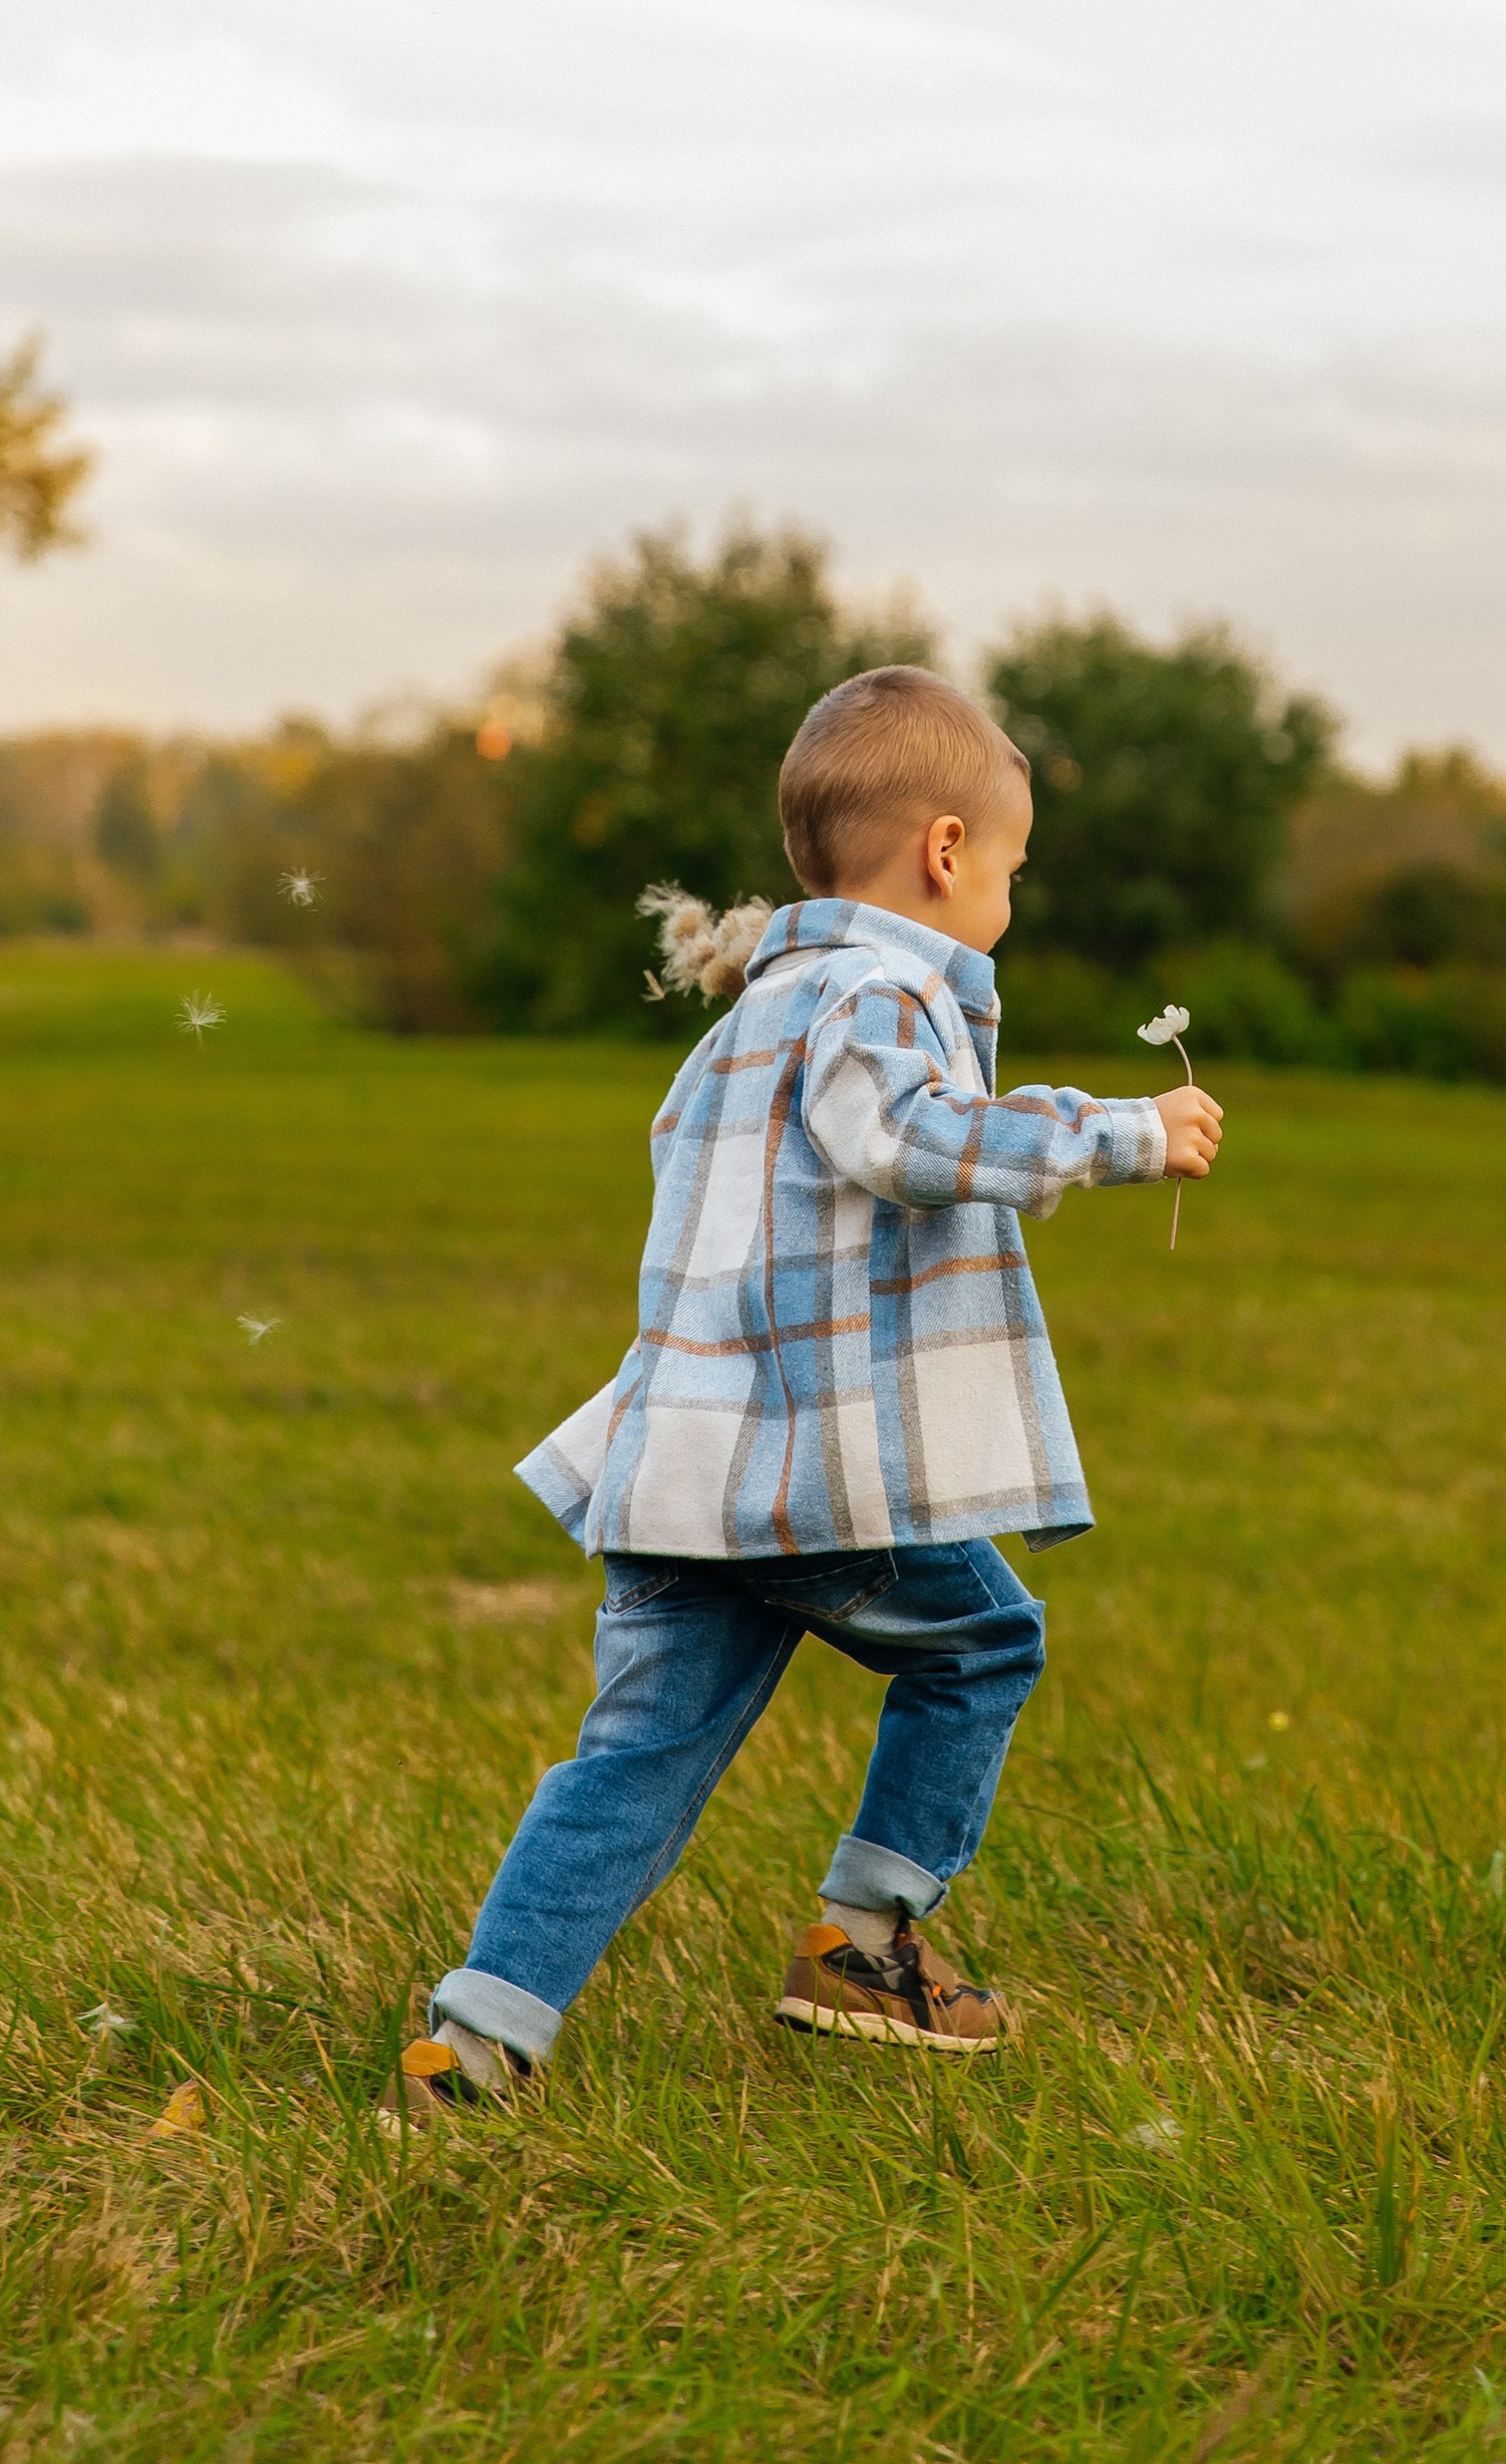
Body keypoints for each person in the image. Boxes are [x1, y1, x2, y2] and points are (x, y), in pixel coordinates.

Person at [384, 664, 1223, 2118]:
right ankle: (865, 1944)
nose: (1012, 897)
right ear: (946, 851)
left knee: (634, 1761)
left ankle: (476, 2042)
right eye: (1013, 865)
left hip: (684, 1473)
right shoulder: (878, 992)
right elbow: (915, 1137)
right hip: (807, 1473)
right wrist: (1120, 1131)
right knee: (983, 1645)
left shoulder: (757, 1013)